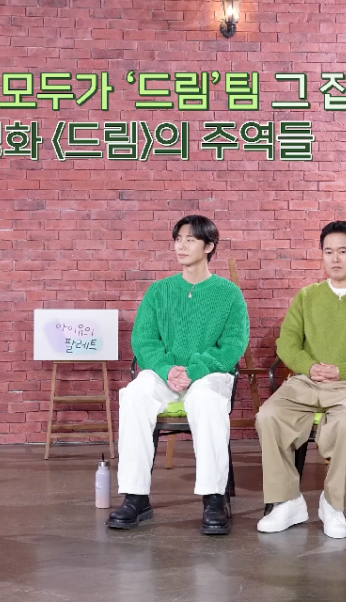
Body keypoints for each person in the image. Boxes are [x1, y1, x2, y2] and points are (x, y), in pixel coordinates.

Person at [255, 221, 346, 538]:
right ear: (321, 255)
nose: (335, 259)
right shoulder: (307, 296)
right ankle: (287, 501)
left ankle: (332, 504)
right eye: (328, 252)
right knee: (268, 415)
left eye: (343, 251)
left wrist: (343, 370)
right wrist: (309, 367)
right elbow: (286, 344)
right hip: (306, 382)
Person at [107, 215, 249, 535]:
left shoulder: (229, 294)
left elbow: (232, 346)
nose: (181, 246)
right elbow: (144, 340)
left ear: (209, 246)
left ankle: (214, 499)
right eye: (178, 239)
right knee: (134, 394)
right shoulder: (159, 291)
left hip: (209, 374)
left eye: (190, 239)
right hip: (165, 373)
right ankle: (135, 497)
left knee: (207, 399)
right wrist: (166, 369)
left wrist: (194, 370)